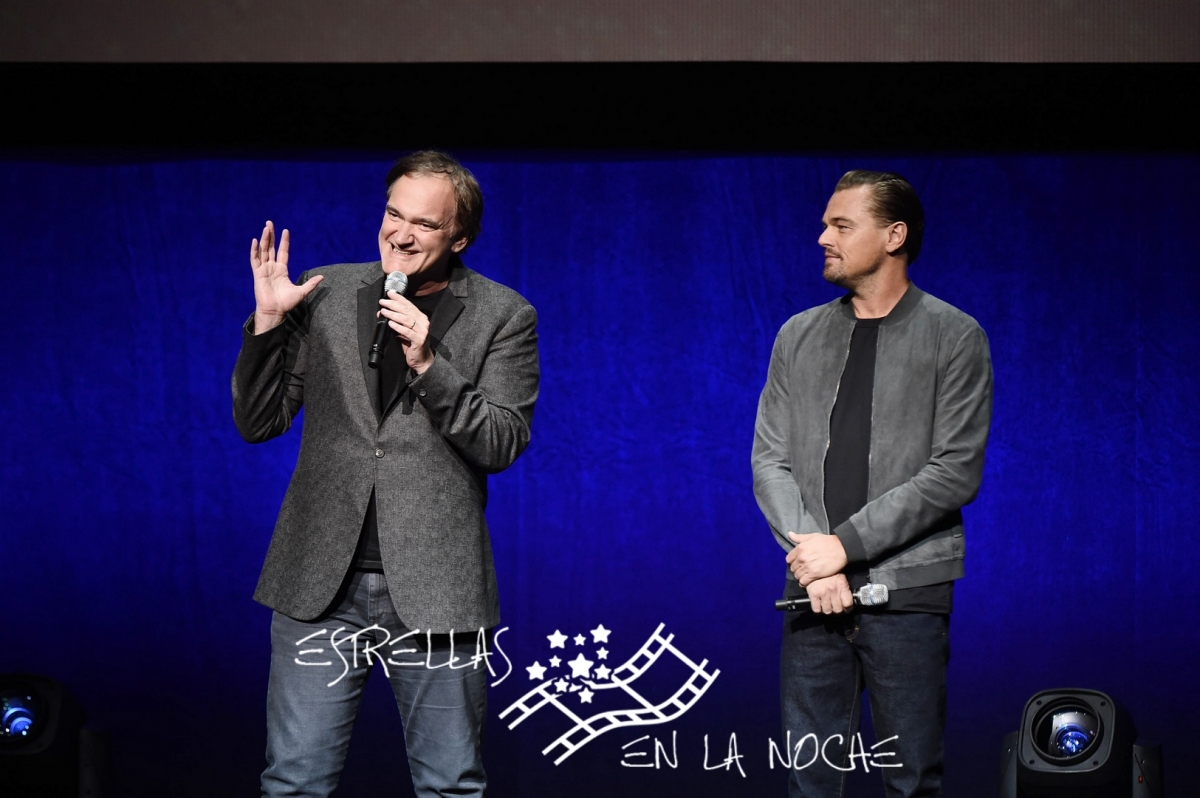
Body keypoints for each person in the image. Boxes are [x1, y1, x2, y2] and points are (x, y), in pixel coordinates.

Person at [232, 150, 539, 797]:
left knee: (450, 785)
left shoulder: (504, 314)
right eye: (394, 214)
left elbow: (502, 442)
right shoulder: (325, 292)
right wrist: (268, 324)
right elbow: (259, 421)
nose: (400, 234)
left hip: (436, 591)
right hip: (319, 586)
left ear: (460, 237)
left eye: (424, 224)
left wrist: (428, 364)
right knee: (293, 783)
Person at [751, 170, 992, 797]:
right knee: (810, 782)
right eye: (825, 224)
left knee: (911, 781)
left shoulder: (953, 335)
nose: (822, 237)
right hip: (810, 594)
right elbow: (770, 461)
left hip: (905, 599)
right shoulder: (797, 335)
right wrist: (816, 563)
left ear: (894, 236)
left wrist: (845, 547)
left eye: (841, 225)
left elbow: (953, 471)